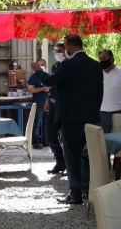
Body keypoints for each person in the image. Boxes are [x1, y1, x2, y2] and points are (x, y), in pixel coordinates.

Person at [30, 34, 103, 204]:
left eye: (64, 46)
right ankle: (87, 189)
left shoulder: (69, 64)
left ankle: (75, 193)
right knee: (88, 155)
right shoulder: (95, 65)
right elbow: (100, 92)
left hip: (72, 118)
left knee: (72, 156)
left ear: (70, 47)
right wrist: (94, 111)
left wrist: (38, 71)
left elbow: (51, 80)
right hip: (90, 117)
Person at [44, 42, 66, 174]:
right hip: (53, 103)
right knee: (51, 134)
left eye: (60, 51)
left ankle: (69, 163)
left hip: (66, 105)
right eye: (56, 51)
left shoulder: (70, 66)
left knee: (67, 136)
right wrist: (48, 97)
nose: (58, 53)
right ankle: (60, 161)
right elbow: (52, 84)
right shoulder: (55, 66)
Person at [27, 58, 49, 149]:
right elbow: (30, 89)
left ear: (45, 66)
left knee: (47, 123)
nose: (40, 66)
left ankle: (46, 141)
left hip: (48, 102)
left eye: (42, 65)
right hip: (38, 102)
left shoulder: (48, 76)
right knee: (37, 123)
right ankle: (36, 142)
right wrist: (42, 89)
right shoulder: (33, 77)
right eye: (38, 65)